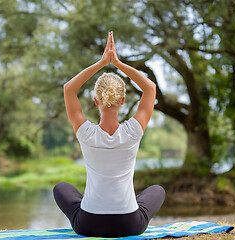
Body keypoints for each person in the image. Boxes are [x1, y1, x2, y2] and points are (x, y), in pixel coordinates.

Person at [53, 32, 165, 238]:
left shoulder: (85, 133)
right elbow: (150, 88)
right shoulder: (133, 131)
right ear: (122, 101)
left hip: (89, 224)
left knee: (61, 188)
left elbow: (69, 89)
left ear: (96, 101)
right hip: (129, 224)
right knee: (157, 190)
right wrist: (118, 63)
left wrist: (102, 62)